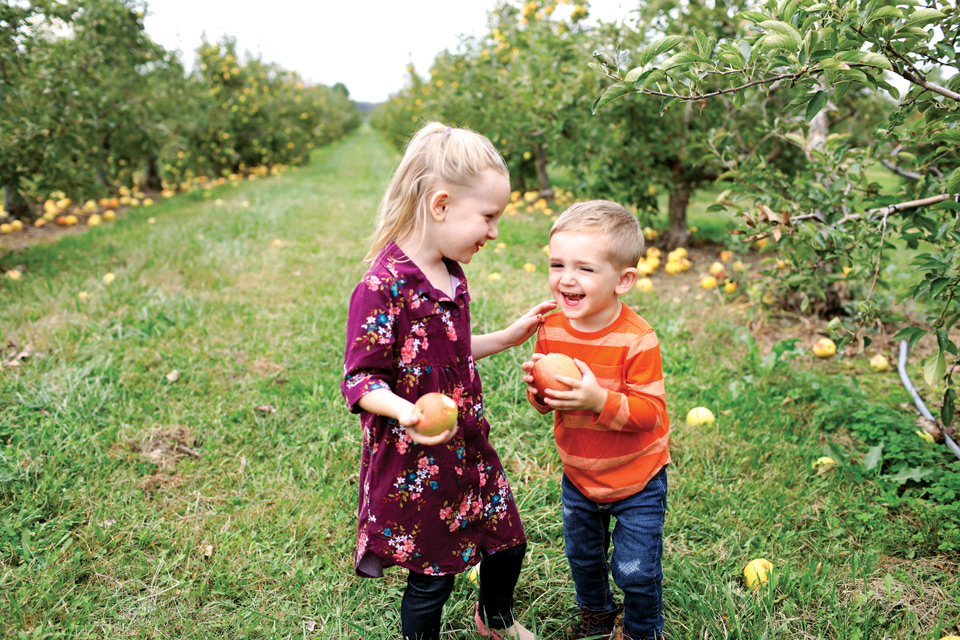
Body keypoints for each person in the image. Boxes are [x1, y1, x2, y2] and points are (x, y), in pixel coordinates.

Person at [341, 121, 555, 640]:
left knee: (508, 540)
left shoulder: (452, 274)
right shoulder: (381, 286)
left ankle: (495, 617)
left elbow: (449, 349)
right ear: (440, 206)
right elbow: (362, 379)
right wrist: (404, 411)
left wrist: (505, 337)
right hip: (419, 459)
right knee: (433, 575)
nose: (495, 232)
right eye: (488, 217)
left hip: (469, 446)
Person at [520, 200, 670, 640]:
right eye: (557, 264)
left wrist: (597, 399)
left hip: (637, 479)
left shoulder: (637, 339)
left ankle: (643, 629)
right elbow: (548, 404)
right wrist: (540, 392)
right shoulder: (552, 327)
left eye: (585, 269)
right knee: (583, 557)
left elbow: (651, 414)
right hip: (580, 474)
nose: (567, 278)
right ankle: (597, 615)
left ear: (623, 280)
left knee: (635, 568)